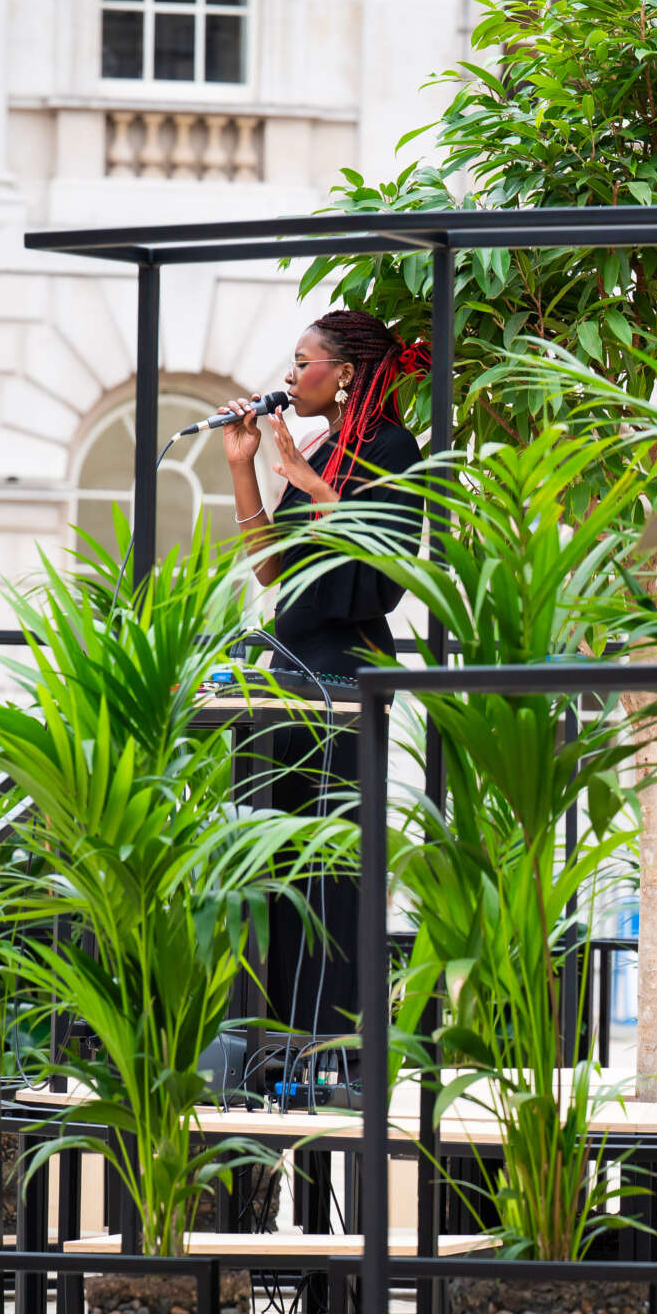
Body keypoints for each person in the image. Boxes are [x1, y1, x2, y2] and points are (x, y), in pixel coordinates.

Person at [218, 309, 427, 1042]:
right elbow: (271, 566)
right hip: (292, 671)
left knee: (334, 865)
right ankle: (276, 1037)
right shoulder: (328, 447)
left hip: (346, 675)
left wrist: (315, 483)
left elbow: (389, 567)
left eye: (302, 361)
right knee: (279, 856)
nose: (288, 375)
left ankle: (333, 1043)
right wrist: (245, 466)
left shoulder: (392, 449)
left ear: (344, 373)